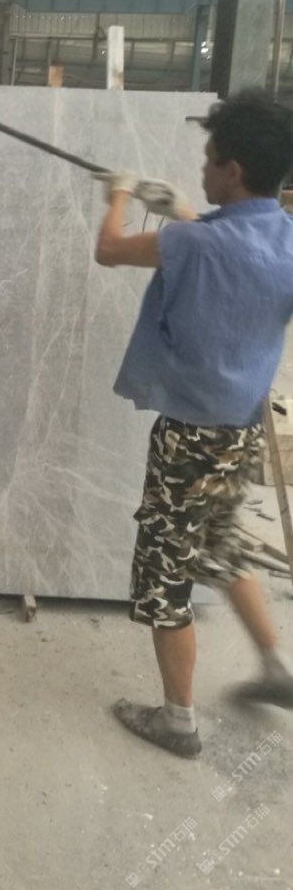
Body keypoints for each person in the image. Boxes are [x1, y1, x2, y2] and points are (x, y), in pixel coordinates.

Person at [94, 88, 293, 758]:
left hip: (188, 439)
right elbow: (229, 242)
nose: (203, 170)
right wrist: (180, 207)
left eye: (209, 162)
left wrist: (119, 195)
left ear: (232, 170)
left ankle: (177, 721)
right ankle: (274, 666)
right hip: (240, 429)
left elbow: (110, 249)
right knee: (222, 543)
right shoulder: (284, 237)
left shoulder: (191, 244)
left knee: (166, 576)